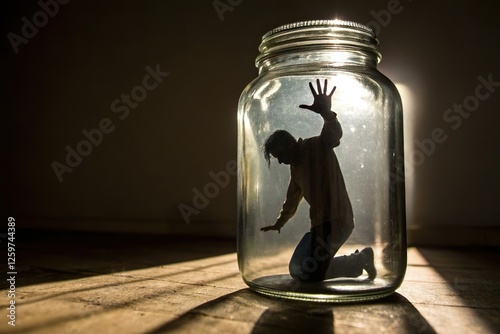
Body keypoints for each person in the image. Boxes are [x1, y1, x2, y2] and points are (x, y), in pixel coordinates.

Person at [261, 79, 376, 282]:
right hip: (320, 225)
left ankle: (358, 260)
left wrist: (326, 113)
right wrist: (279, 223)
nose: (280, 161)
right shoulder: (295, 169)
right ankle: (360, 260)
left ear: (289, 143)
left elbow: (333, 136)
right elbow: (291, 200)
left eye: (279, 155)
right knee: (300, 269)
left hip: (338, 221)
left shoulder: (316, 147)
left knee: (307, 271)